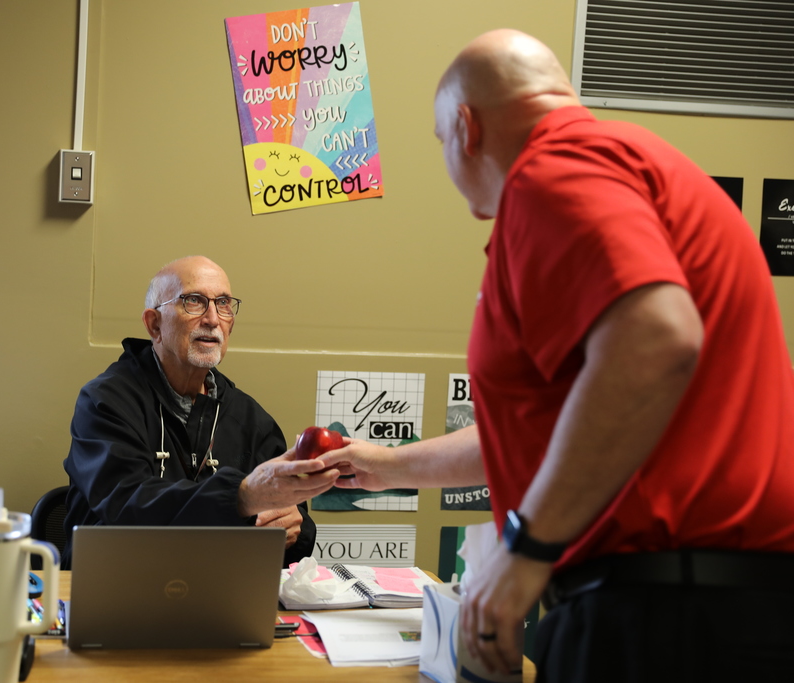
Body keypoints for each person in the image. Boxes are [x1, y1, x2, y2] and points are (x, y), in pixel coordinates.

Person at [318, 29, 794, 682]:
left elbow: (656, 339)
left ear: (465, 126)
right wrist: (387, 465)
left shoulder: (553, 168)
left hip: (659, 618)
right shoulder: (638, 165)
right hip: (726, 605)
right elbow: (560, 431)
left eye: (438, 142)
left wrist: (525, 548)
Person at [62, 255, 338, 567]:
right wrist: (240, 498)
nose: (212, 318)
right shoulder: (106, 401)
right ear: (155, 324)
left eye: (223, 303)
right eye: (194, 301)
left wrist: (293, 527)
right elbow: (126, 504)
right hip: (116, 583)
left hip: (220, 590)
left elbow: (295, 517)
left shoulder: (250, 418)